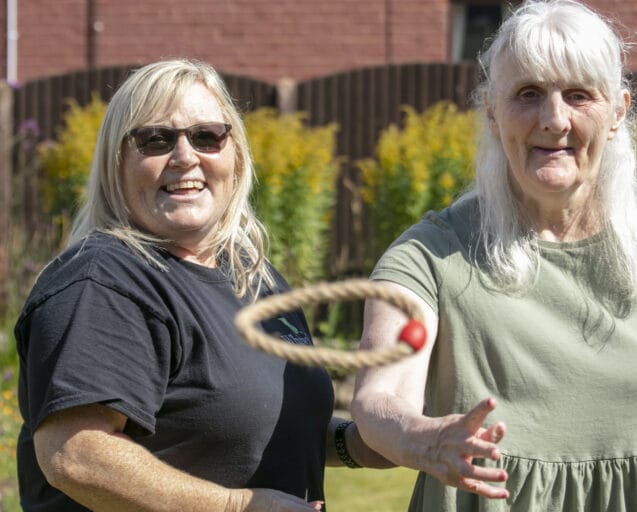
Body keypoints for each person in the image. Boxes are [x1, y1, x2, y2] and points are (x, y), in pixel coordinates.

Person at [350, 1, 637, 510]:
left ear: (618, 112)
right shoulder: (430, 257)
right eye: (528, 94)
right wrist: (421, 437)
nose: (554, 120)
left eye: (579, 95)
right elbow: (379, 398)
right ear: (492, 111)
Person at [15, 59, 388, 512]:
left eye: (207, 136)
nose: (185, 156)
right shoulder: (104, 282)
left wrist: (358, 443)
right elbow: (75, 454)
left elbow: (243, 423)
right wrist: (236, 507)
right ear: (117, 163)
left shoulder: (254, 277)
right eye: (155, 139)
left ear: (236, 156)